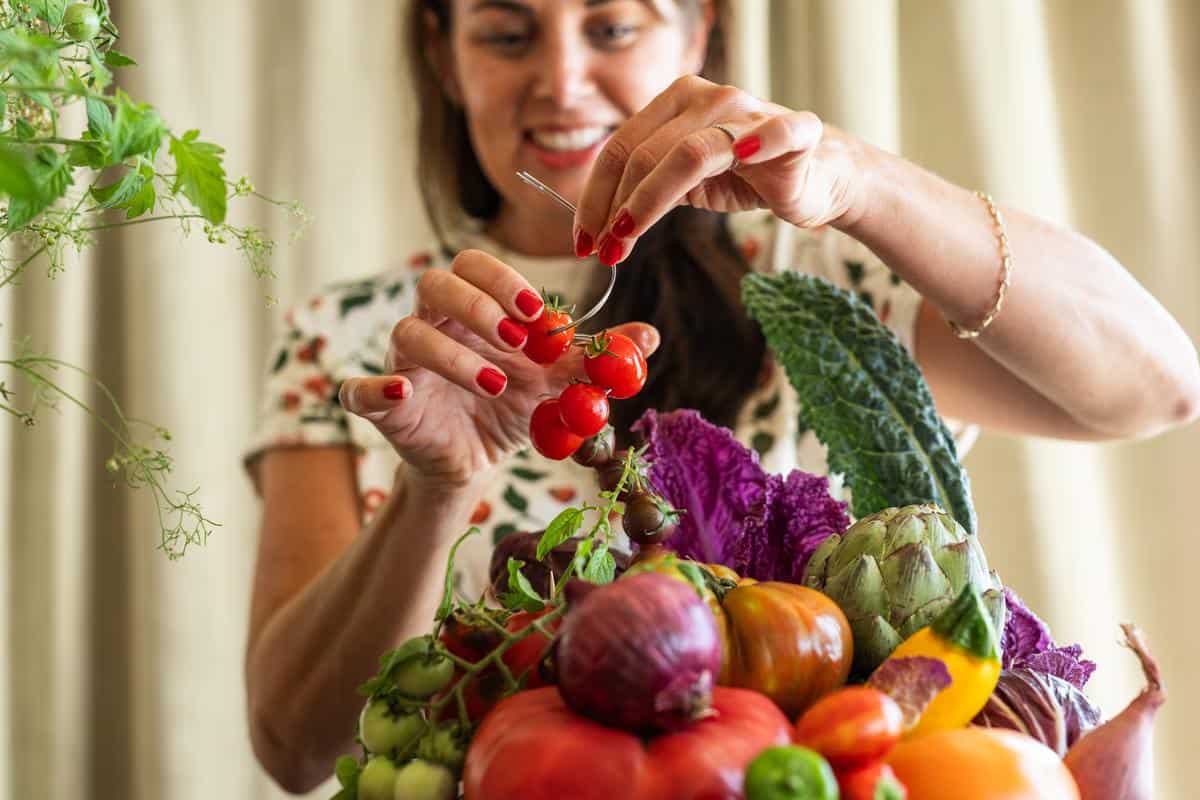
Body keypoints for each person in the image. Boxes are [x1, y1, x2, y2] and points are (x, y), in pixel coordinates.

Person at [240, 0, 1200, 792]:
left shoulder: (823, 282)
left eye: (613, 28)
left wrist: (856, 181)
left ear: (698, 35)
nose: (563, 80)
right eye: (506, 32)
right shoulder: (361, 337)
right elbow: (293, 748)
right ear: (445, 62)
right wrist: (436, 488)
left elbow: (1157, 390)